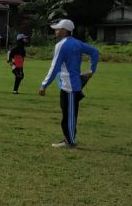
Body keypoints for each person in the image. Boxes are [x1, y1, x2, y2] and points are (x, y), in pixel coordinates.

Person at [39, 19, 99, 148]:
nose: (55, 30)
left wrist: (44, 84)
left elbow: (54, 67)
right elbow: (95, 52)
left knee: (69, 116)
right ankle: (68, 139)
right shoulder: (77, 43)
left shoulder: (61, 45)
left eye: (58, 28)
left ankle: (71, 141)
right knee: (67, 115)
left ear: (65, 31)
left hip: (70, 86)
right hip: (70, 84)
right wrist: (91, 70)